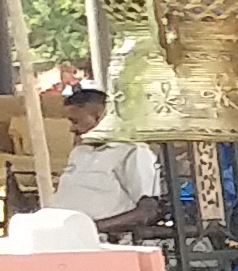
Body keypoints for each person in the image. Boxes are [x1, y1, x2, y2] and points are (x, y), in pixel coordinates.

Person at [47, 90, 163, 235]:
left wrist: (92, 228)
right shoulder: (80, 152)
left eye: (75, 121)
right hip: (63, 235)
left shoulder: (132, 152)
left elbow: (148, 212)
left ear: (100, 116)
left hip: (103, 241)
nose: (72, 129)